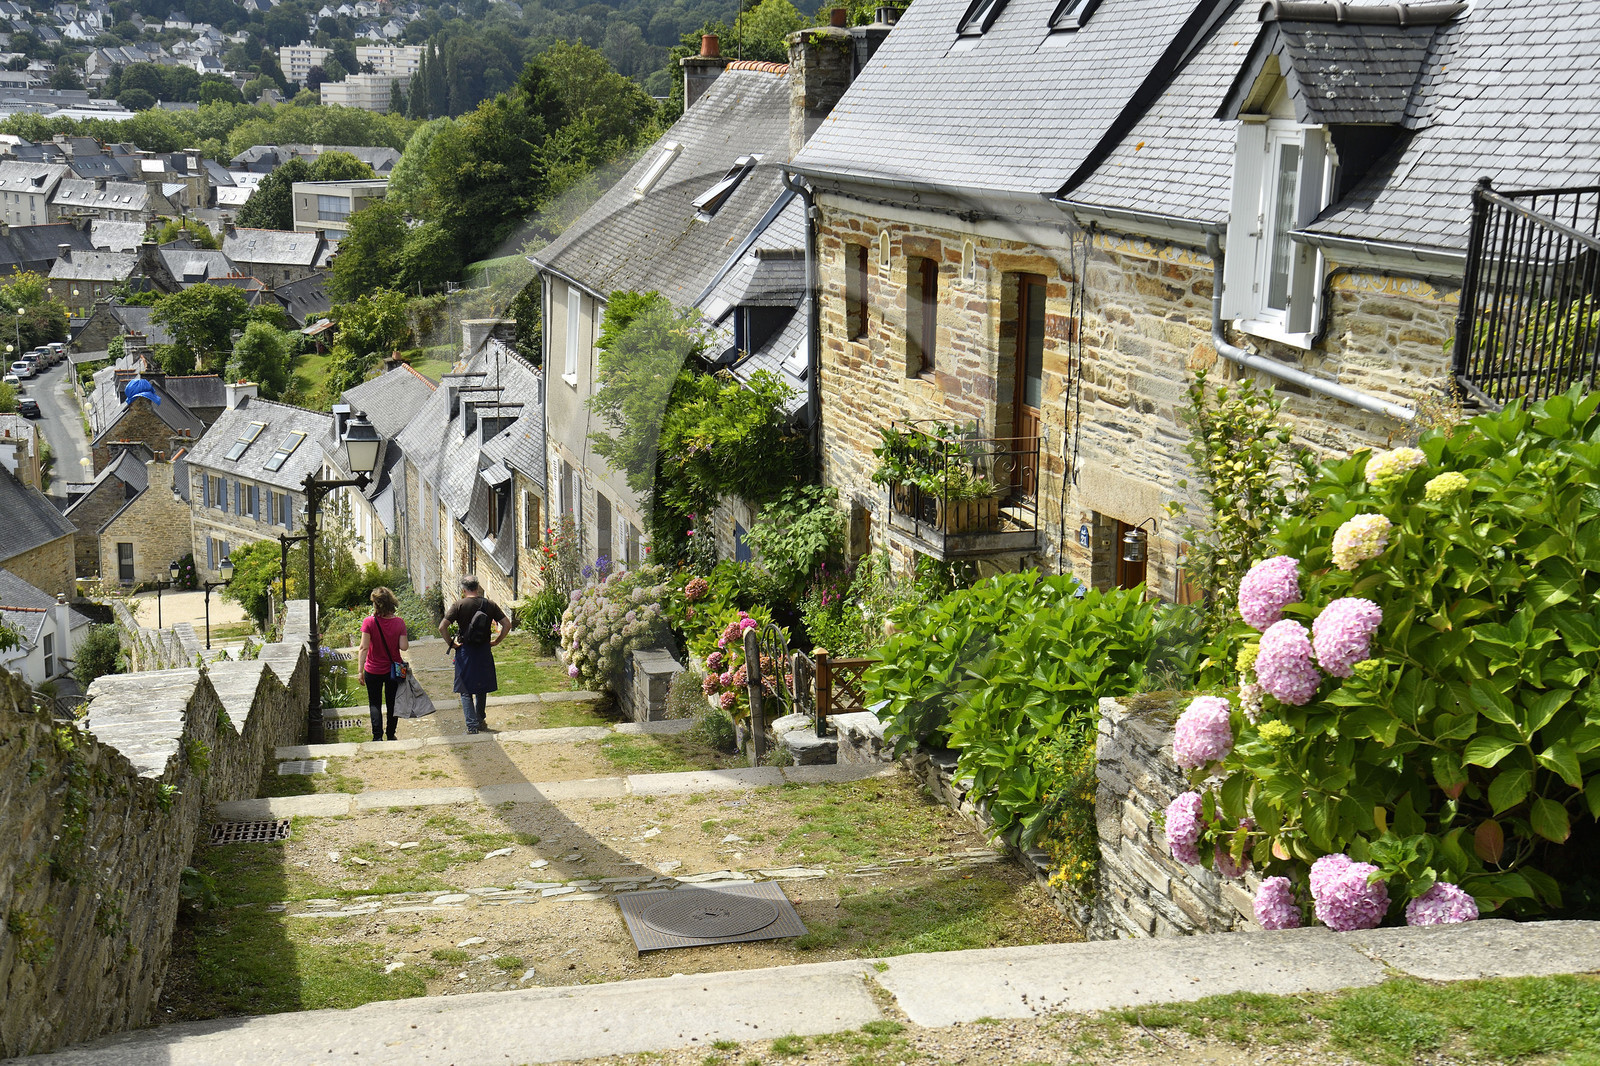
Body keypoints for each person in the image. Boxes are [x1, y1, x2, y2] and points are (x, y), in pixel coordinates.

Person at [438, 575, 510, 734]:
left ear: (464, 590)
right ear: (477, 588)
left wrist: (451, 643)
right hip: (484, 650)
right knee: (481, 687)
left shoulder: (458, 605)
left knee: (465, 689)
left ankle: (471, 727)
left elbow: (442, 627)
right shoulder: (489, 604)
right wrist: (497, 641)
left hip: (465, 651)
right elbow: (507, 624)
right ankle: (480, 721)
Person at [357, 586, 410, 741]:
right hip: (393, 670)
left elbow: (363, 647)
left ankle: (377, 736)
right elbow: (404, 646)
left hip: (373, 669)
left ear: (375, 603)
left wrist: (360, 671)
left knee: (375, 703)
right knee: (393, 703)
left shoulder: (369, 622)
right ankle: (391, 734)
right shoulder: (399, 622)